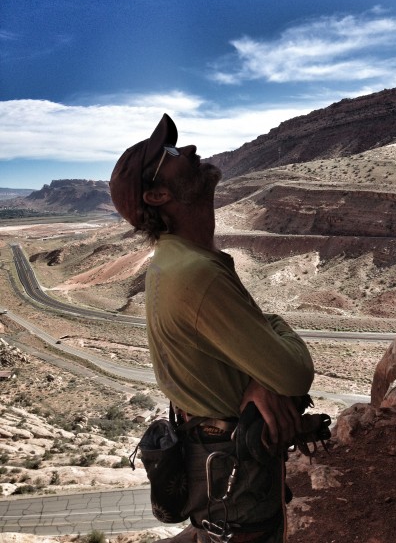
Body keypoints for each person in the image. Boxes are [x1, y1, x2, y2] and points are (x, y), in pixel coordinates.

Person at [109, 114, 314, 543]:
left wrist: (259, 373)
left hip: (219, 462)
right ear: (158, 193)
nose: (188, 150)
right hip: (235, 476)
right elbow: (293, 373)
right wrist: (271, 340)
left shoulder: (178, 261)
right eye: (169, 153)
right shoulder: (194, 273)